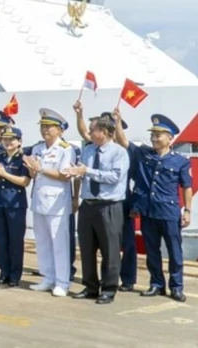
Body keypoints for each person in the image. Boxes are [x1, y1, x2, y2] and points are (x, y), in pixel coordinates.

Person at [114, 111, 192, 303]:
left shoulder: (180, 161)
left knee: (175, 252)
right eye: (153, 135)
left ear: (170, 138)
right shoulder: (144, 154)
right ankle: (156, 283)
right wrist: (117, 122)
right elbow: (123, 141)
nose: (154, 138)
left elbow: (187, 187)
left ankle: (176, 286)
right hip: (148, 212)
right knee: (152, 251)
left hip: (169, 212)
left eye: (158, 135)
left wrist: (187, 211)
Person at [68, 116, 130, 305]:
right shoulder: (88, 150)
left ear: (103, 132)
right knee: (86, 248)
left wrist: (88, 171)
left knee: (110, 250)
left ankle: (109, 289)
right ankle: (90, 286)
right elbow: (81, 173)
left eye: (92, 129)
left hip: (108, 205)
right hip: (89, 205)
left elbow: (115, 177)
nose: (89, 131)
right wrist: (76, 189)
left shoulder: (119, 152)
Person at [26, 108, 76, 297]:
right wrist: (32, 169)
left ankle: (62, 282)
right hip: (39, 200)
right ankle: (47, 277)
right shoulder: (38, 148)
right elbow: (34, 174)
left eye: (49, 127)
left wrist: (41, 168)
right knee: (43, 242)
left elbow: (65, 175)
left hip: (57, 203)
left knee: (59, 243)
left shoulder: (65, 149)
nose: (45, 130)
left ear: (60, 130)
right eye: (43, 126)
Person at [0, 126, 32, 288]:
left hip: (15, 204)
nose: (8, 142)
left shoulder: (23, 159)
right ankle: (3, 272)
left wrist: (5, 174)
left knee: (15, 241)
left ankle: (14, 275)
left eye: (11, 139)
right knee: (2, 240)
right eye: (5, 139)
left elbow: (25, 181)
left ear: (19, 142)